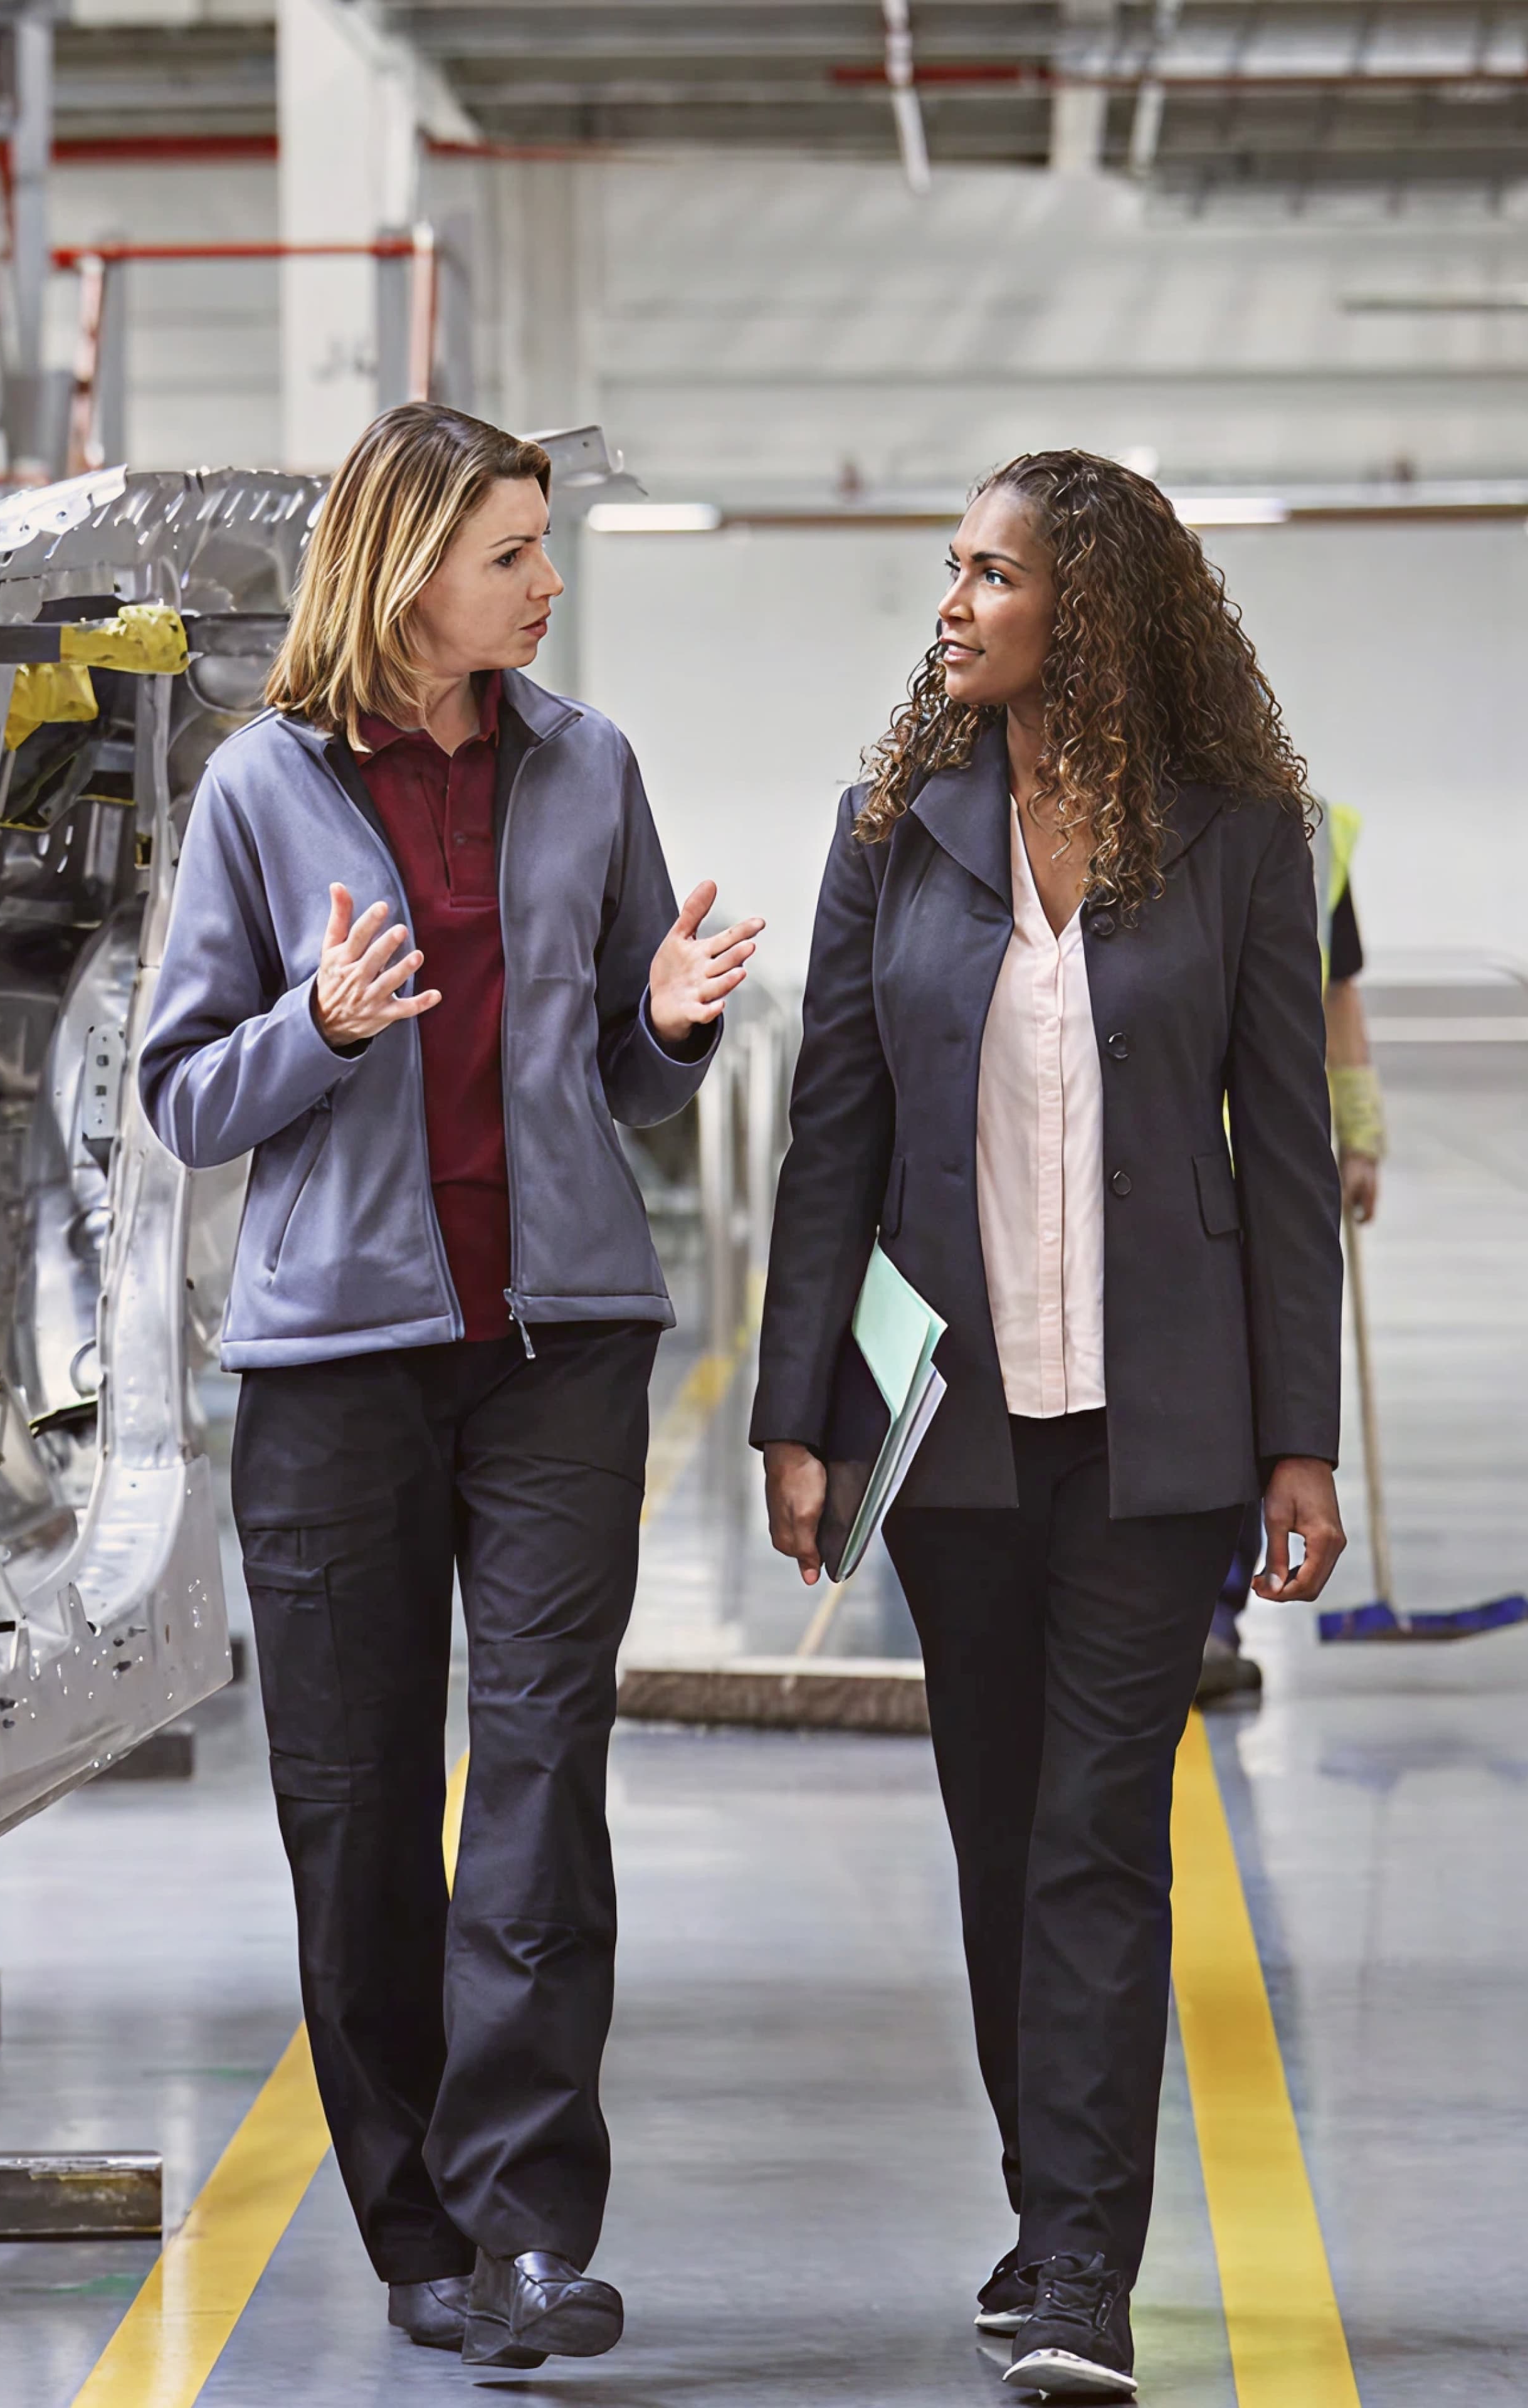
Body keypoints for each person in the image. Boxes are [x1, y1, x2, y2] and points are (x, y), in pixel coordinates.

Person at [139, 402, 761, 2371]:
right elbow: (178, 1095)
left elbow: (629, 1078)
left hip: (562, 1346)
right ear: (411, 573)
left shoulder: (589, 769)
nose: (547, 581)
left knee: (543, 1778)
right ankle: (412, 2229)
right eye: (514, 553)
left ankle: (528, 2232)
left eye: (542, 548)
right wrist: (315, 1029)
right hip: (337, 1363)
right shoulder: (257, 790)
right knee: (356, 1801)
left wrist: (665, 1027)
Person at [751, 450, 1345, 2402]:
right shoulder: (893, 835)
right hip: (956, 1433)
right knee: (1000, 1834)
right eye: (952, 570)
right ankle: (1045, 2213)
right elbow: (833, 1133)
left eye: (989, 573)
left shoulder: (1247, 837)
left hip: (1161, 1430)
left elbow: (1276, 1156)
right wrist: (794, 1417)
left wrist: (1300, 1442)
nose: (953, 602)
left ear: (1082, 607)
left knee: (1100, 1831)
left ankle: (1085, 2264)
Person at [1200, 823, 1383, 1701]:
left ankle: (1214, 1616)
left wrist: (1361, 1138)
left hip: (1271, 1160)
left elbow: (1337, 997)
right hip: (1180, 1160)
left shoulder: (1312, 831)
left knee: (1253, 1395)